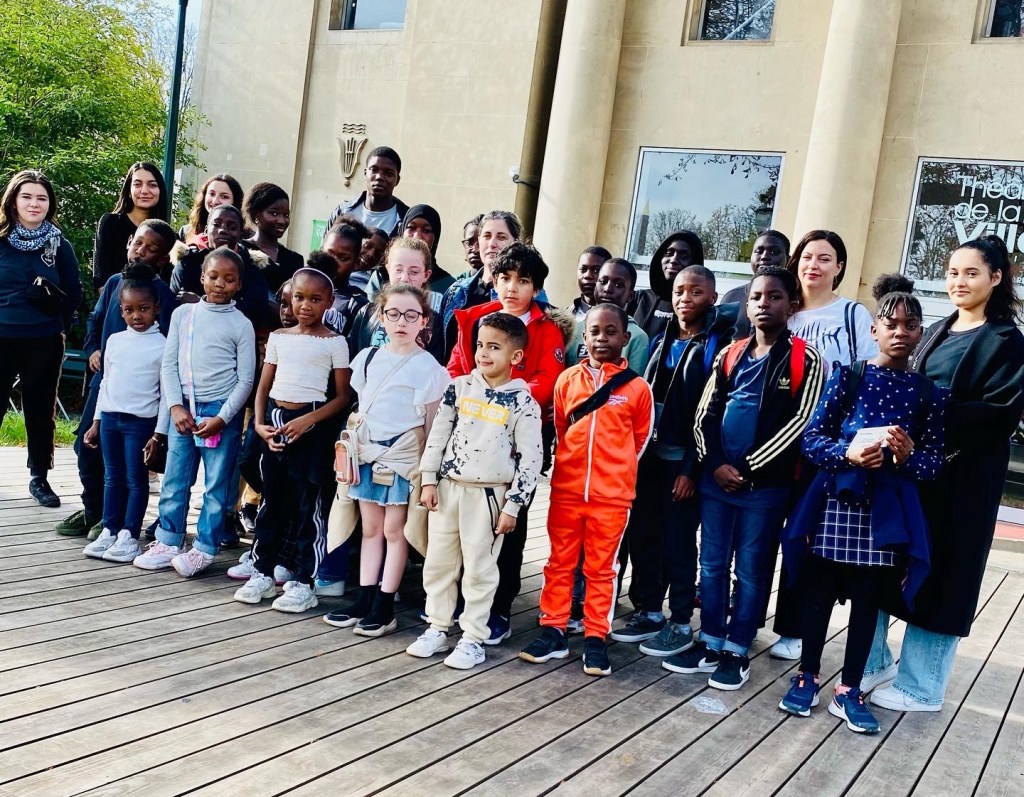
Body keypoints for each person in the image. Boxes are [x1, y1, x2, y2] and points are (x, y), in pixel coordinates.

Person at [863, 235, 1024, 713]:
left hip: (963, 482)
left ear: (996, 278)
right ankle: (874, 662)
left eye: (972, 273)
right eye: (953, 272)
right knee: (885, 565)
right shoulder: (936, 329)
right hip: (913, 474)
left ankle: (922, 686)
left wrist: (927, 412)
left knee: (946, 578)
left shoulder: (1007, 342)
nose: (959, 281)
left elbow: (999, 415)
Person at [778, 281, 944, 733]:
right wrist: (848, 454)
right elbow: (813, 439)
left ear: (921, 332)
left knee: (869, 601)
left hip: (886, 513)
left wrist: (909, 457)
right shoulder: (848, 377)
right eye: (891, 324)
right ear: (874, 330)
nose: (901, 332)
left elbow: (933, 464)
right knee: (819, 594)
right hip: (837, 501)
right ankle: (807, 676)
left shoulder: (928, 394)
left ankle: (849, 688)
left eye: (911, 325)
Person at [665, 267, 823, 690]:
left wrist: (749, 468)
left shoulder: (805, 359)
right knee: (712, 563)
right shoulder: (730, 354)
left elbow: (801, 422)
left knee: (752, 568)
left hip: (764, 489)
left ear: (792, 305)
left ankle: (736, 649)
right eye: (756, 297)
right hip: (717, 484)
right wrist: (715, 464)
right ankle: (710, 640)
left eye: (774, 297)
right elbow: (704, 414)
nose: (763, 304)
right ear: (746, 305)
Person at [519, 303, 654, 676]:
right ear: (584, 336)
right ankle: (554, 629)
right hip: (567, 491)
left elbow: (639, 441)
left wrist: (615, 474)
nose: (602, 338)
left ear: (625, 338)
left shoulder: (638, 388)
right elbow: (562, 431)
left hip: (611, 498)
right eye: (594, 331)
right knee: (559, 563)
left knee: (601, 569)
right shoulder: (567, 380)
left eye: (611, 332)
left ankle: (596, 636)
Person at [448, 241, 572, 644]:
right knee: (466, 525)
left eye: (523, 280)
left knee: (508, 526)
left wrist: (494, 396)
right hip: (470, 439)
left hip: (518, 442)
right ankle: (463, 602)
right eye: (504, 278)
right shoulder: (475, 319)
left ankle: (499, 608)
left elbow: (547, 383)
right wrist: (467, 394)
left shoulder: (546, 330)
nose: (512, 287)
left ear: (536, 288)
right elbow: (456, 367)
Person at [408, 312, 544, 669]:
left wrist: (513, 506)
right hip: (448, 491)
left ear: (516, 356)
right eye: (480, 345)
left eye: (494, 347)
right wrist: (429, 479)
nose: (483, 353)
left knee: (480, 570)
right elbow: (438, 435)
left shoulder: (523, 403)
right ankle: (438, 626)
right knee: (438, 563)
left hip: (488, 497)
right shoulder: (459, 388)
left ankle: (472, 637)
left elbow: (532, 459)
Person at [611, 265, 734, 653]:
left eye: (696, 292)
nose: (685, 298)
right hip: (649, 456)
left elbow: (711, 413)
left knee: (679, 543)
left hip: (684, 460)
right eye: (680, 291)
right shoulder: (661, 338)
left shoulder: (717, 346)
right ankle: (650, 611)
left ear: (712, 298)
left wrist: (691, 470)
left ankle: (680, 621)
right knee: (644, 534)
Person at [771, 229, 879, 661]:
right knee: (763, 534)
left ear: (839, 267)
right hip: (776, 439)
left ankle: (793, 628)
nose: (813, 265)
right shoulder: (783, 310)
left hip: (825, 444)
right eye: (807, 256)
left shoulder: (851, 314)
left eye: (824, 258)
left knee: (804, 535)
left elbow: (868, 375)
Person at [323, 283, 450, 636]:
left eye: (411, 315)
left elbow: (431, 426)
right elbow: (362, 409)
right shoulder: (367, 358)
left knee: (396, 531)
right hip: (366, 454)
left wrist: (428, 474)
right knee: (370, 529)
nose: (401, 322)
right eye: (393, 314)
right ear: (381, 317)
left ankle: (384, 603)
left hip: (402, 460)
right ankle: (364, 597)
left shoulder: (430, 369)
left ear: (424, 320)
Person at [233, 267, 351, 612]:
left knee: (308, 506)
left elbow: (343, 396)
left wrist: (307, 420)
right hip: (275, 424)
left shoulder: (335, 342)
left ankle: (303, 581)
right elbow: (263, 386)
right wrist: (259, 425)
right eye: (299, 297)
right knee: (271, 503)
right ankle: (262, 571)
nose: (305, 305)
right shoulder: (279, 337)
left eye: (315, 299)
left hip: (311, 427)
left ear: (329, 302)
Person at [132, 247, 256, 575]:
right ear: (202, 277)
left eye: (229, 279)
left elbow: (246, 380)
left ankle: (204, 547)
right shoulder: (183, 315)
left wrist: (222, 418)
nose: (220, 284)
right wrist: (175, 406)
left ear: (239, 284)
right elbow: (169, 365)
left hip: (220, 415)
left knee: (216, 486)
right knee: (175, 479)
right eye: (213, 276)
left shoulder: (241, 324)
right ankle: (169, 540)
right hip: (184, 411)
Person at [57, 221, 180, 541]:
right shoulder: (114, 283)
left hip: (141, 393)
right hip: (106, 383)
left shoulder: (163, 296)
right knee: (86, 446)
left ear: (163, 259)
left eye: (151, 249)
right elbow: (95, 320)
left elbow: (169, 344)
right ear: (128, 242)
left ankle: (118, 521)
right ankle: (93, 510)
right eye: (138, 243)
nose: (141, 251)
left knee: (128, 461)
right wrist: (93, 350)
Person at [0, 170, 82, 507]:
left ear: (50, 204)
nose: (34, 204)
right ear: (13, 201)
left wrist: (56, 324)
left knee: (39, 409)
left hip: (44, 339)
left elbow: (74, 292)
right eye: (27, 197)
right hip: (2, 336)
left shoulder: (59, 245)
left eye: (42, 198)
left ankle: (39, 476)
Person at [81, 266, 169, 563]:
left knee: (135, 479)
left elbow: (166, 395)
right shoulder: (115, 341)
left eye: (144, 309)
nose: (137, 316)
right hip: (109, 420)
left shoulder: (163, 345)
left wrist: (158, 434)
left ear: (156, 308)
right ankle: (109, 529)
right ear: (121, 311)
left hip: (140, 423)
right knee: (112, 476)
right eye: (129, 310)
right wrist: (96, 421)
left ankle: (129, 534)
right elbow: (106, 382)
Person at [170, 204, 274, 331]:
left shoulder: (252, 268)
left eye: (232, 227)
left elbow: (254, 316)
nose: (223, 230)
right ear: (206, 230)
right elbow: (175, 311)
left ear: (241, 235)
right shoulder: (188, 264)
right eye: (217, 224)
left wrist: (201, 304)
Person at [347, 237, 446, 363]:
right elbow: (352, 361)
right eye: (398, 270)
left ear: (426, 275)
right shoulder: (367, 313)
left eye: (414, 272)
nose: (404, 278)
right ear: (388, 270)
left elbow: (434, 368)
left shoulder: (434, 323)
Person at [441, 210, 523, 360]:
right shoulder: (455, 291)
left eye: (501, 237)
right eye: (487, 236)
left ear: (515, 243)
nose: (492, 244)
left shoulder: (524, 294)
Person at [92, 162, 168, 288]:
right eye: (137, 184)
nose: (144, 191)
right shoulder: (110, 223)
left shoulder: (168, 235)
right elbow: (101, 279)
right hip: (112, 297)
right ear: (129, 190)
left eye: (152, 185)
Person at [567, 257, 649, 373]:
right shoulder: (575, 329)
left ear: (630, 295)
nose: (608, 289)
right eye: (603, 282)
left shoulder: (638, 337)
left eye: (619, 285)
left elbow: (634, 380)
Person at [633, 230, 704, 341]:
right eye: (669, 253)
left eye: (684, 256)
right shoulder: (639, 298)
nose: (674, 260)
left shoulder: (697, 307)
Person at [720, 230, 790, 339]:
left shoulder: (795, 299)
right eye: (758, 251)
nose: (764, 256)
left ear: (788, 259)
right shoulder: (732, 298)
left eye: (774, 252)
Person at [326, 146, 409, 237]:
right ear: (365, 173)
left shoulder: (407, 220)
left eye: (388, 173)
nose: (379, 177)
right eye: (374, 170)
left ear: (397, 180)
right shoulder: (342, 212)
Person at [242, 182, 303, 294]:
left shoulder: (294, 260)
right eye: (274, 213)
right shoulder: (242, 251)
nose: (282, 221)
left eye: (286, 215)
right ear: (256, 215)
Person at [320, 219, 371, 338]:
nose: (333, 262)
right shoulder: (301, 287)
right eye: (329, 254)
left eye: (343, 258)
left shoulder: (357, 304)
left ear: (356, 263)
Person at [400, 204, 457, 296]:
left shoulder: (448, 285)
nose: (417, 236)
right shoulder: (383, 275)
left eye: (426, 230)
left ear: (435, 239)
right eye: (411, 228)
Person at [179, 174, 244, 245]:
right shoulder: (186, 231)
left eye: (224, 197)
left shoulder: (247, 235)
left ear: (235, 201)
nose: (215, 201)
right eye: (212, 194)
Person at [571, 246, 613, 319]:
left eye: (596, 270)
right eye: (583, 269)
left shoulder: (621, 318)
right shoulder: (564, 318)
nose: (588, 276)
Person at [351, 226, 388, 295]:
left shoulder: (373, 286)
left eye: (378, 253)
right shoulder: (335, 267)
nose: (371, 254)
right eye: (367, 246)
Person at [458, 214, 484, 280]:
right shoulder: (453, 283)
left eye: (480, 242)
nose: (475, 250)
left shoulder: (503, 283)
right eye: (469, 243)